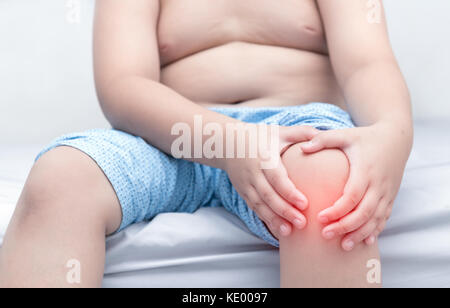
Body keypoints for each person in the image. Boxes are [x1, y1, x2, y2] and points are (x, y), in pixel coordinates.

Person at [0, 0, 412, 287]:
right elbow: (123, 85)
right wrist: (228, 142)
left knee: (326, 182)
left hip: (291, 129)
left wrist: (391, 133)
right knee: (61, 178)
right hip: (170, 136)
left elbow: (367, 63)